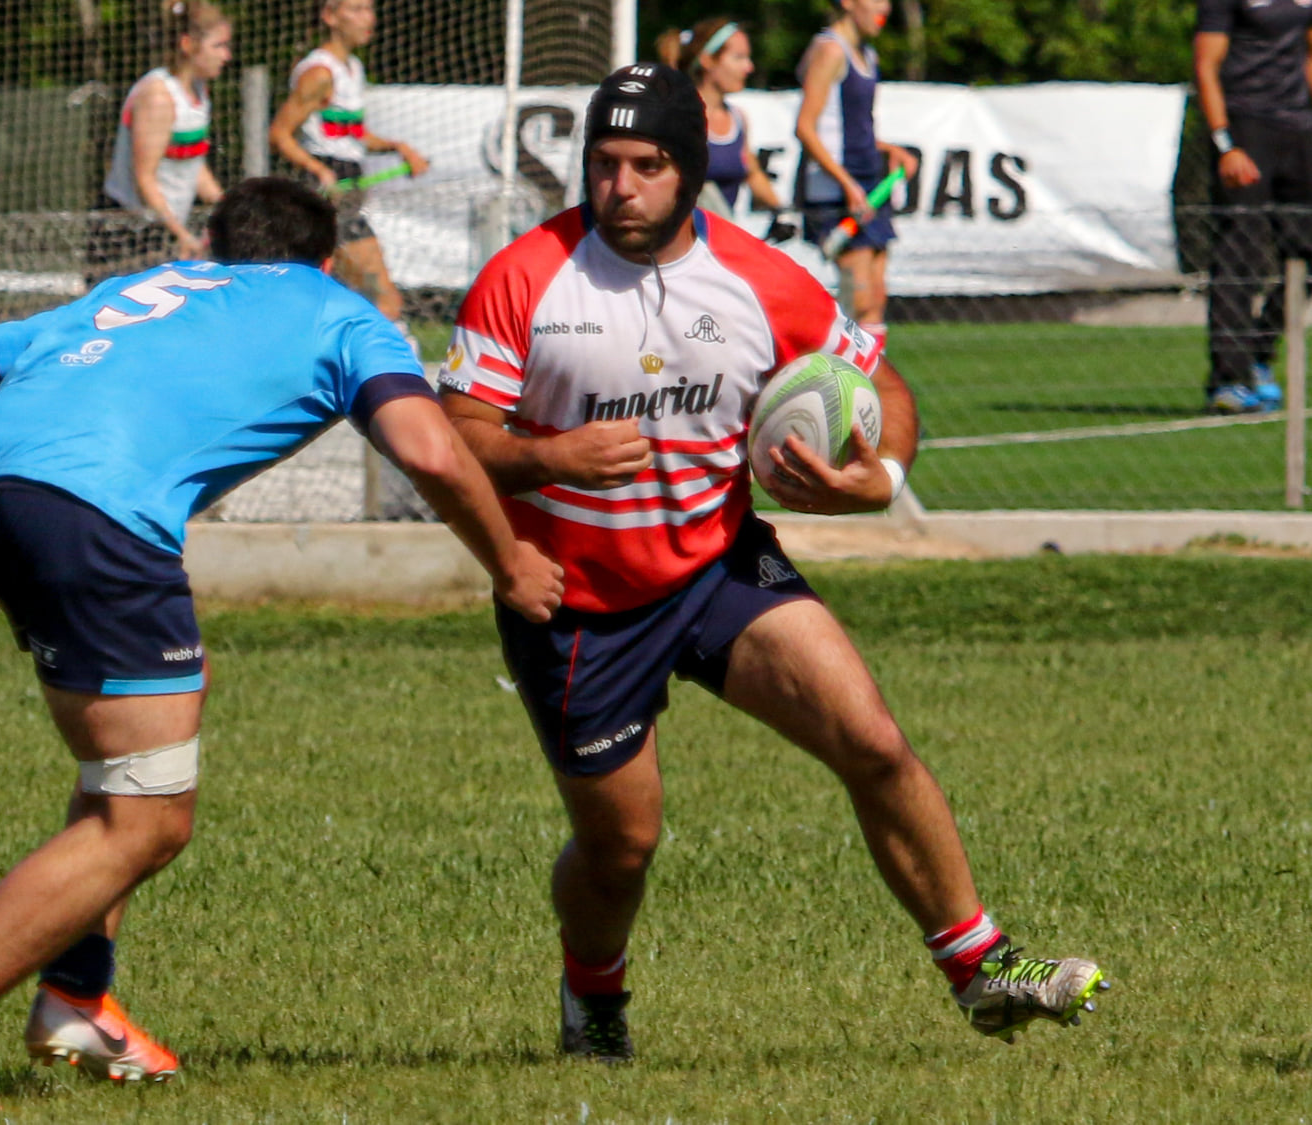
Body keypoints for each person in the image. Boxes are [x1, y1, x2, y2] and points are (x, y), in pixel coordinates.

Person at [0, 177, 563, 1108]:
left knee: (126, 771)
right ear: (325, 259)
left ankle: (75, 995)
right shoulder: (341, 312)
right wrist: (509, 562)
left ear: (213, 248)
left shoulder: (138, 290)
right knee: (145, 820)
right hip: (95, 519)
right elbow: (427, 450)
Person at [437, 63, 1108, 1063]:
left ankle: (980, 968)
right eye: (605, 164)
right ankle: (594, 994)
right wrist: (549, 458)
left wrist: (881, 473)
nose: (620, 186)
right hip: (575, 601)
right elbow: (450, 436)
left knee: (873, 741)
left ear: (689, 168)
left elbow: (882, 384)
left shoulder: (760, 278)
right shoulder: (526, 275)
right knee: (623, 846)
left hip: (718, 565)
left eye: (647, 165)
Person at [269, 0, 429, 338]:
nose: (367, 18)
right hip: (326, 192)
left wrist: (398, 147)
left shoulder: (353, 68)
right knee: (384, 300)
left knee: (333, 298)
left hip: (348, 187)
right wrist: (320, 171)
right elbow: (280, 134)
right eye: (356, 9)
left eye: (369, 9)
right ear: (330, 16)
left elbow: (351, 134)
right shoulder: (319, 73)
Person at [1193, 0, 1311, 414]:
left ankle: (1259, 355)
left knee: (1305, 252)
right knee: (1238, 255)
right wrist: (1224, 143)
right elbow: (1206, 65)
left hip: (1299, 130)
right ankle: (1228, 380)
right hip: (1245, 128)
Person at [794, 0, 917, 352]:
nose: (885, 8)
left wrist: (889, 150)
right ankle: (842, 377)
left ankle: (870, 377)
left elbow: (852, 129)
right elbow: (806, 128)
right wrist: (846, 183)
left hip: (870, 183)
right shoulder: (831, 51)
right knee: (858, 298)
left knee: (876, 296)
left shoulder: (868, 54)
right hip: (837, 189)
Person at [92, 0, 231, 276]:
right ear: (188, 44)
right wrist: (181, 234)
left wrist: (230, 206)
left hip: (163, 229)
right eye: (218, 46)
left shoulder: (199, 91)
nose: (226, 56)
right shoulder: (158, 95)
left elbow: (193, 164)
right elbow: (144, 179)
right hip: (128, 233)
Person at [671, 18, 795, 242]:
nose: (749, 67)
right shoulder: (678, 118)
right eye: (739, 57)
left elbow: (752, 172)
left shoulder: (738, 118)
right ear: (707, 60)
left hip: (718, 243)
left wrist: (783, 210)